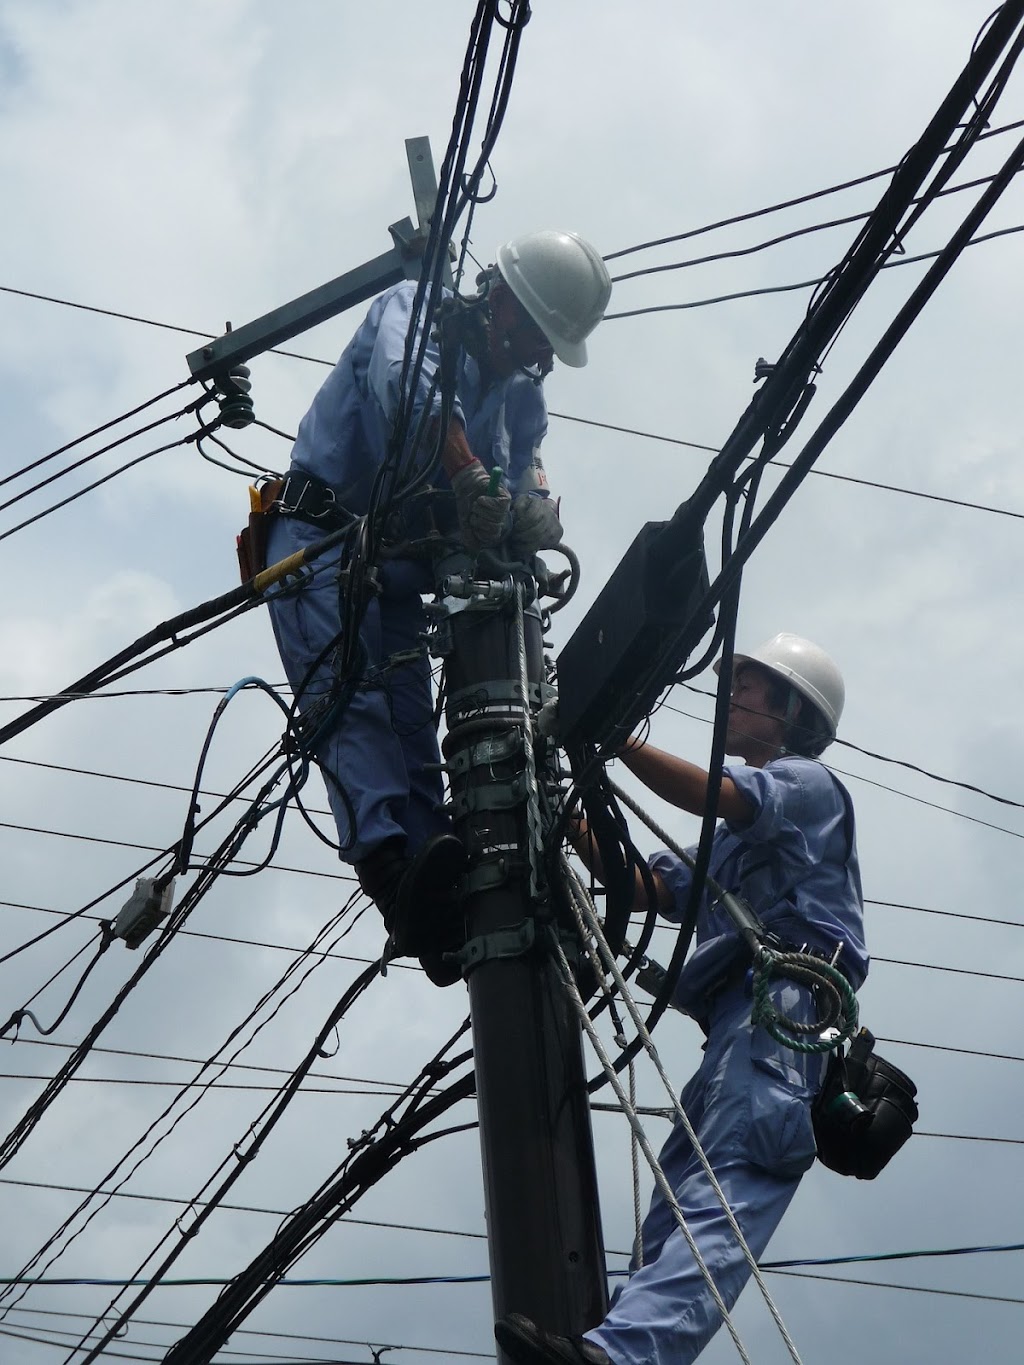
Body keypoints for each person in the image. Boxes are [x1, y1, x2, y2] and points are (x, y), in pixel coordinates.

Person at [496, 633, 868, 1365]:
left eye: (751, 687)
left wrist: (613, 737)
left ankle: (624, 1356)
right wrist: (546, 791)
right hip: (739, 1024)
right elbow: (644, 882)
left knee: (727, 1185)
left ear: (792, 709)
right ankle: (612, 1344)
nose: (732, 696)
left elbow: (715, 794)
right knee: (676, 1205)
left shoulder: (804, 785)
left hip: (787, 1010)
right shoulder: (726, 837)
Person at [265, 231, 612, 979]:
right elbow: (412, 398)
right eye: (531, 336)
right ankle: (393, 879)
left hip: (393, 568)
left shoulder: (522, 397)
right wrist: (471, 479)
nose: (532, 358)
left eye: (546, 349)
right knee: (348, 705)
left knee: (411, 721)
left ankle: (438, 888)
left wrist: (530, 510)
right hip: (318, 542)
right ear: (498, 300)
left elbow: (524, 476)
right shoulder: (413, 311)